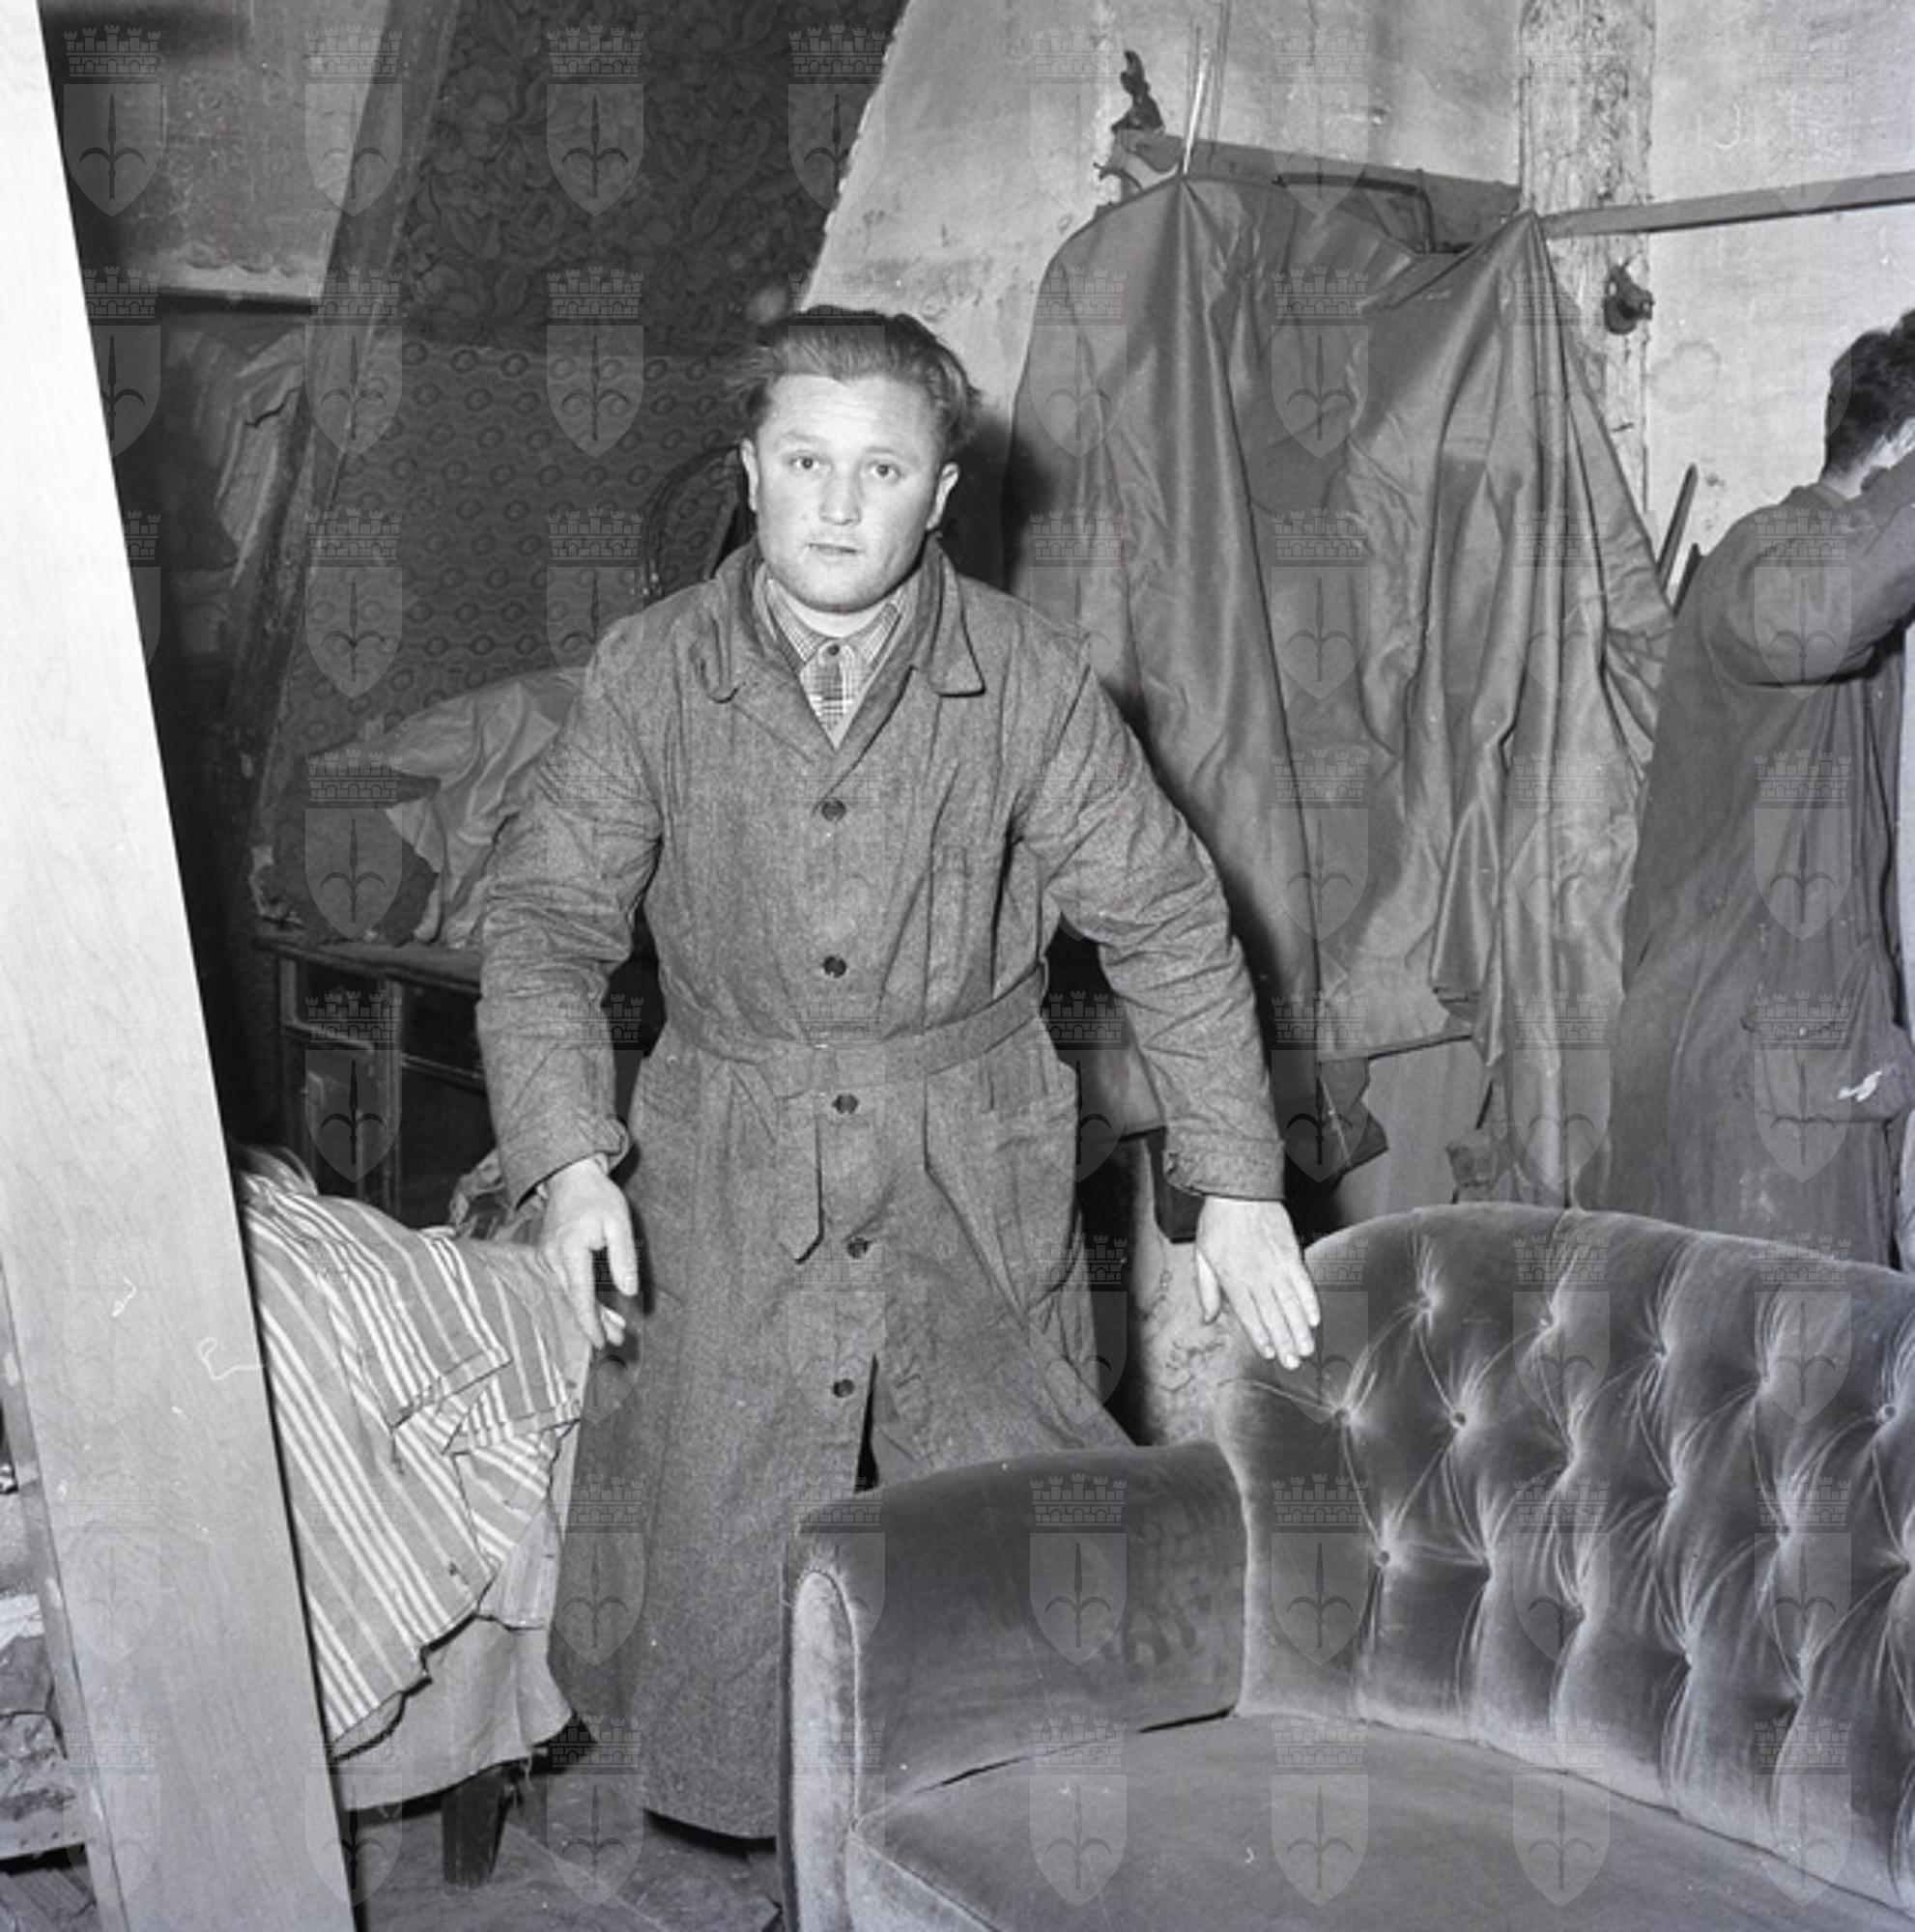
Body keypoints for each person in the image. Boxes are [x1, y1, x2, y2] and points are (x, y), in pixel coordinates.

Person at [476, 308, 1318, 1838]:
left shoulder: (1029, 674)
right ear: (748, 471)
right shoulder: (651, 670)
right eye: (805, 461)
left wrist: (1236, 1181)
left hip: (968, 1155)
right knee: (726, 1543)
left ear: (939, 495)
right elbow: (542, 926)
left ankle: (984, 1859)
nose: (837, 506)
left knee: (1015, 1530)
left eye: (881, 470)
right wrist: (566, 1159)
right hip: (728, 1155)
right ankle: (788, 1853)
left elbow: (1167, 918)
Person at [1589, 310, 1915, 1263]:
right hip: (1748, 1082)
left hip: (1802, 1070)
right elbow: (1826, 613)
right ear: (1900, 447)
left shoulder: (1849, 591)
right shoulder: (1764, 555)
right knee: (1794, 1352)